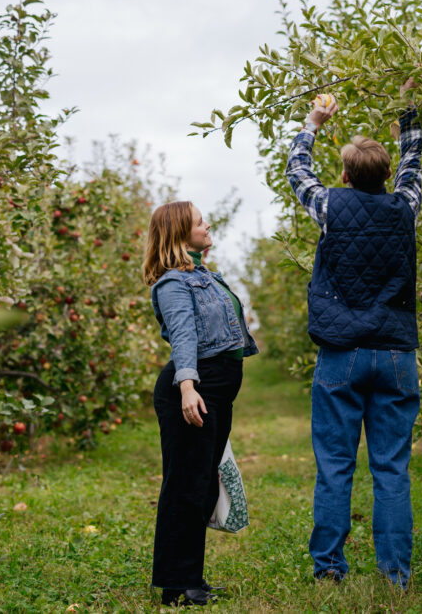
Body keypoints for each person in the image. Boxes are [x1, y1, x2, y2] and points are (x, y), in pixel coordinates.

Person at [286, 78, 422, 589]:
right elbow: (415, 161)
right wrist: (408, 110)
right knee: (391, 468)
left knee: (336, 465)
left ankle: (329, 571)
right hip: (394, 352)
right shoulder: (405, 206)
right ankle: (396, 576)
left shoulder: (328, 207)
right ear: (387, 175)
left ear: (344, 175)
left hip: (341, 352)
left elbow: (296, 172)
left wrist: (311, 126)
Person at [143, 201, 259, 607]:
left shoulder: (203, 275)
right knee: (187, 485)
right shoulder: (174, 283)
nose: (207, 224)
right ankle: (178, 586)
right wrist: (188, 386)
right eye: (198, 221)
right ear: (180, 233)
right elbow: (183, 335)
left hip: (215, 387)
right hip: (194, 388)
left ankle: (190, 578)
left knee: (203, 482)